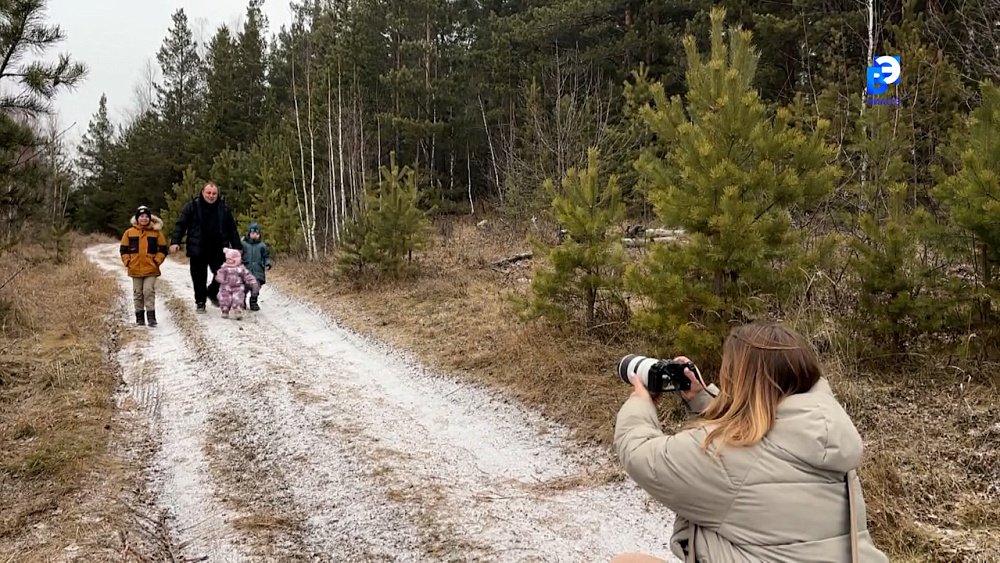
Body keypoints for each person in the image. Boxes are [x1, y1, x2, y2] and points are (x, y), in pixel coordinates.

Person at [613, 322, 889, 563]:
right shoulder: (825, 434)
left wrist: (639, 403)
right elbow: (761, 430)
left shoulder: (726, 455)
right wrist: (702, 399)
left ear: (740, 381)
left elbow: (640, 454)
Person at [168, 182, 242, 313]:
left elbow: (232, 229)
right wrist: (175, 242)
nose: (211, 196)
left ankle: (212, 292)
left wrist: (237, 247)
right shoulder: (192, 207)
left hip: (218, 248)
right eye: (209, 193)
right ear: (202, 192)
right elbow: (181, 225)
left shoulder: (223, 208)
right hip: (198, 248)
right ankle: (200, 302)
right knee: (198, 277)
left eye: (214, 193)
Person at [120, 206, 168, 327]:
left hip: (151, 268)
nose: (144, 218)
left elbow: (163, 249)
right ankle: (139, 317)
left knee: (148, 291)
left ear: (150, 218)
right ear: (137, 218)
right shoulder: (129, 232)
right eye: (141, 216)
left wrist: (157, 261)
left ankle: (151, 317)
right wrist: (128, 262)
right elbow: (123, 250)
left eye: (147, 216)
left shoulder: (156, 232)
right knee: (137, 293)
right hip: (135, 268)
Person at [214, 248, 259, 320]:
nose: (228, 261)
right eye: (227, 259)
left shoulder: (240, 268)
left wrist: (253, 283)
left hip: (237, 287)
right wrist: (220, 279)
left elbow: (247, 276)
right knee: (225, 299)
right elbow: (219, 275)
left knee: (238, 299)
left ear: (236, 259)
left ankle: (238, 310)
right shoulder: (224, 268)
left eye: (230, 259)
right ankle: (225, 310)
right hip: (226, 287)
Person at [240, 222, 272, 311]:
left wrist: (268, 263)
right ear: (249, 233)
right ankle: (242, 301)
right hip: (246, 271)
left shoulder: (262, 246)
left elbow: (266, 257)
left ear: (259, 234)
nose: (254, 235)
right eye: (252, 233)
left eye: (256, 234)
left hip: (258, 272)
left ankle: (253, 302)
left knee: (255, 289)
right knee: (243, 288)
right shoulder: (244, 244)